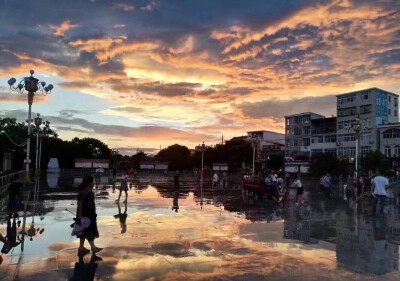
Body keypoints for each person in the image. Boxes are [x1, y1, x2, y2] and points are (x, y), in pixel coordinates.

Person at [76, 176, 102, 256]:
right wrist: (79, 216)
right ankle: (93, 247)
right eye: (93, 182)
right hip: (85, 215)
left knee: (83, 232)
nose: (94, 183)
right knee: (88, 230)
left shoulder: (90, 192)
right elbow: (79, 204)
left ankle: (81, 248)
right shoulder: (82, 193)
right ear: (89, 183)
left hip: (91, 214)